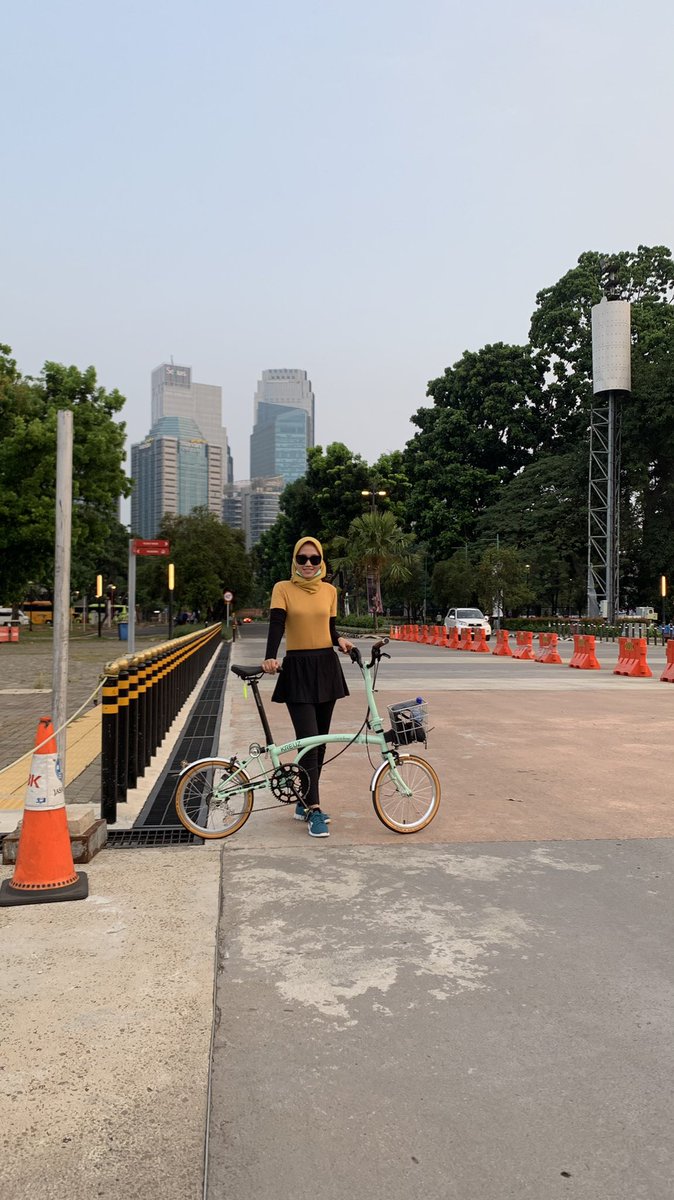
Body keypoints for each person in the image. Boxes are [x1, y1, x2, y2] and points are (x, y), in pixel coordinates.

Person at [262, 537, 353, 838]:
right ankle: (314, 809)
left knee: (321, 742)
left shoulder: (330, 591)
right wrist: (270, 657)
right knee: (309, 741)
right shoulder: (283, 589)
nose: (309, 565)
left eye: (315, 559)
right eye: (303, 559)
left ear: (321, 561)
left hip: (326, 666)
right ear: (295, 561)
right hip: (298, 668)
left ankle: (304, 802)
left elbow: (329, 627)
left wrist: (340, 640)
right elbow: (277, 625)